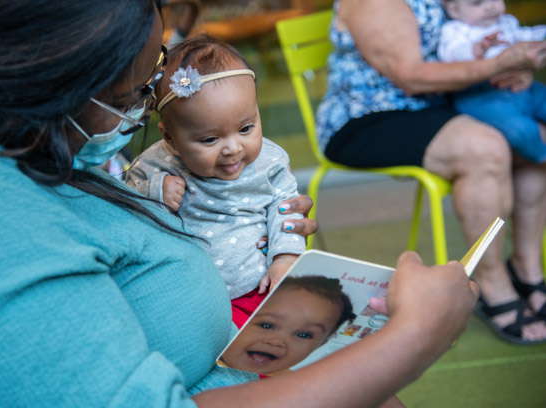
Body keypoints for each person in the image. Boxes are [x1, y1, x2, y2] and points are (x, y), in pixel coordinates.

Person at [0, 1, 479, 407]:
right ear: (49, 78)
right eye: (135, 94)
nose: (146, 108)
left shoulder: (37, 141)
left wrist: (279, 241)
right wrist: (411, 342)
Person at [317, 0, 546, 345]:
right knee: (484, 147)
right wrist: (498, 64)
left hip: (441, 104)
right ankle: (491, 283)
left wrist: (511, 71)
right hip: (368, 117)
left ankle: (527, 267)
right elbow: (410, 76)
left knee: (534, 136)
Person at [125, 36, 305, 328]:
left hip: (260, 284)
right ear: (169, 137)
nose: (233, 148)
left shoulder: (269, 162)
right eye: (210, 139)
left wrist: (284, 258)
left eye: (246, 128)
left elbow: (286, 210)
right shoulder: (156, 165)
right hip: (193, 299)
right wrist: (154, 192)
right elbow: (127, 206)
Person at [438, 0, 546, 163]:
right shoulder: (454, 30)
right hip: (482, 97)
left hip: (522, 88)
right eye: (477, 3)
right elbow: (450, 55)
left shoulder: (506, 22)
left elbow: (526, 35)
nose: (489, 7)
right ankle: (541, 154)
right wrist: (477, 49)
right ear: (454, 10)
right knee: (519, 130)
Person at [219, 275, 356, 376]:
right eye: (267, 325)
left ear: (319, 345)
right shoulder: (225, 318)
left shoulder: (291, 387)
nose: (276, 342)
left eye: (303, 335)